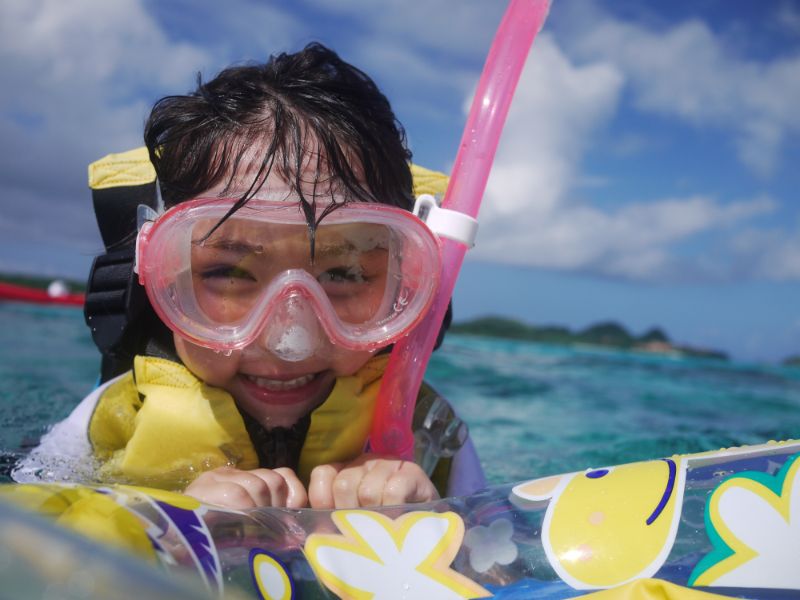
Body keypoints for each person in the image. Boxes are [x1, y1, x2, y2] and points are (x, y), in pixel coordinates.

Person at [14, 43, 485, 509]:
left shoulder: (430, 438)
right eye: (228, 272)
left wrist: (426, 516)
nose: (291, 340)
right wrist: (164, 517)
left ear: (405, 282)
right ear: (158, 272)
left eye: (345, 272)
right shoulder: (112, 420)